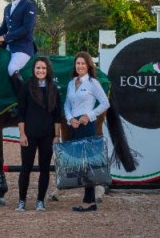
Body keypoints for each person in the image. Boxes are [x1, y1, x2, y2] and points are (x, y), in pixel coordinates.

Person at [64, 51, 110, 212]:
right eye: (78, 63)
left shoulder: (92, 83)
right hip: (74, 126)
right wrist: (70, 118)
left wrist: (88, 116)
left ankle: (89, 201)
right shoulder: (71, 83)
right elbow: (66, 105)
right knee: (80, 163)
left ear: (88, 66)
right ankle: (88, 199)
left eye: (83, 64)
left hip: (87, 125)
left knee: (88, 163)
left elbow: (105, 103)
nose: (80, 66)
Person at [16, 57, 61, 212]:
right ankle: (21, 200)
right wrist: (22, 134)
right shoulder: (26, 86)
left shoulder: (54, 88)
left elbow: (57, 115)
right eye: (38, 68)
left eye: (43, 68)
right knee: (26, 168)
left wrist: (57, 136)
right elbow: (20, 113)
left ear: (47, 70)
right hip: (29, 135)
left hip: (47, 136)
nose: (40, 71)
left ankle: (40, 201)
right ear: (33, 69)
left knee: (44, 169)